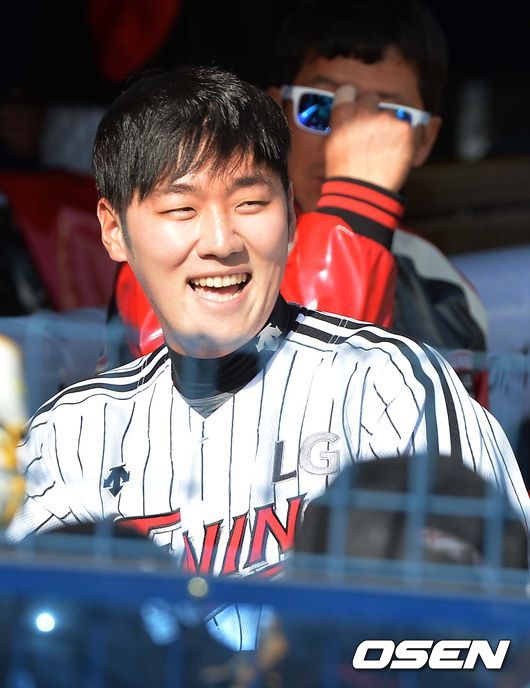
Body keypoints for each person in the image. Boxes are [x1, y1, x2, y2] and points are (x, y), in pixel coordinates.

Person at [6, 65, 528, 573]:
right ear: (113, 229)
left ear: (291, 214)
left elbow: (493, 590)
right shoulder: (72, 432)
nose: (221, 242)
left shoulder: (389, 384)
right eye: (181, 210)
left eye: (251, 203)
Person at [111, 0, 489, 408]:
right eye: (319, 108)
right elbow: (283, 412)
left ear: (424, 139)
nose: (345, 140)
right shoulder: (185, 251)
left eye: (385, 118)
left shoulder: (442, 286)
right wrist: (359, 199)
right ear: (278, 112)